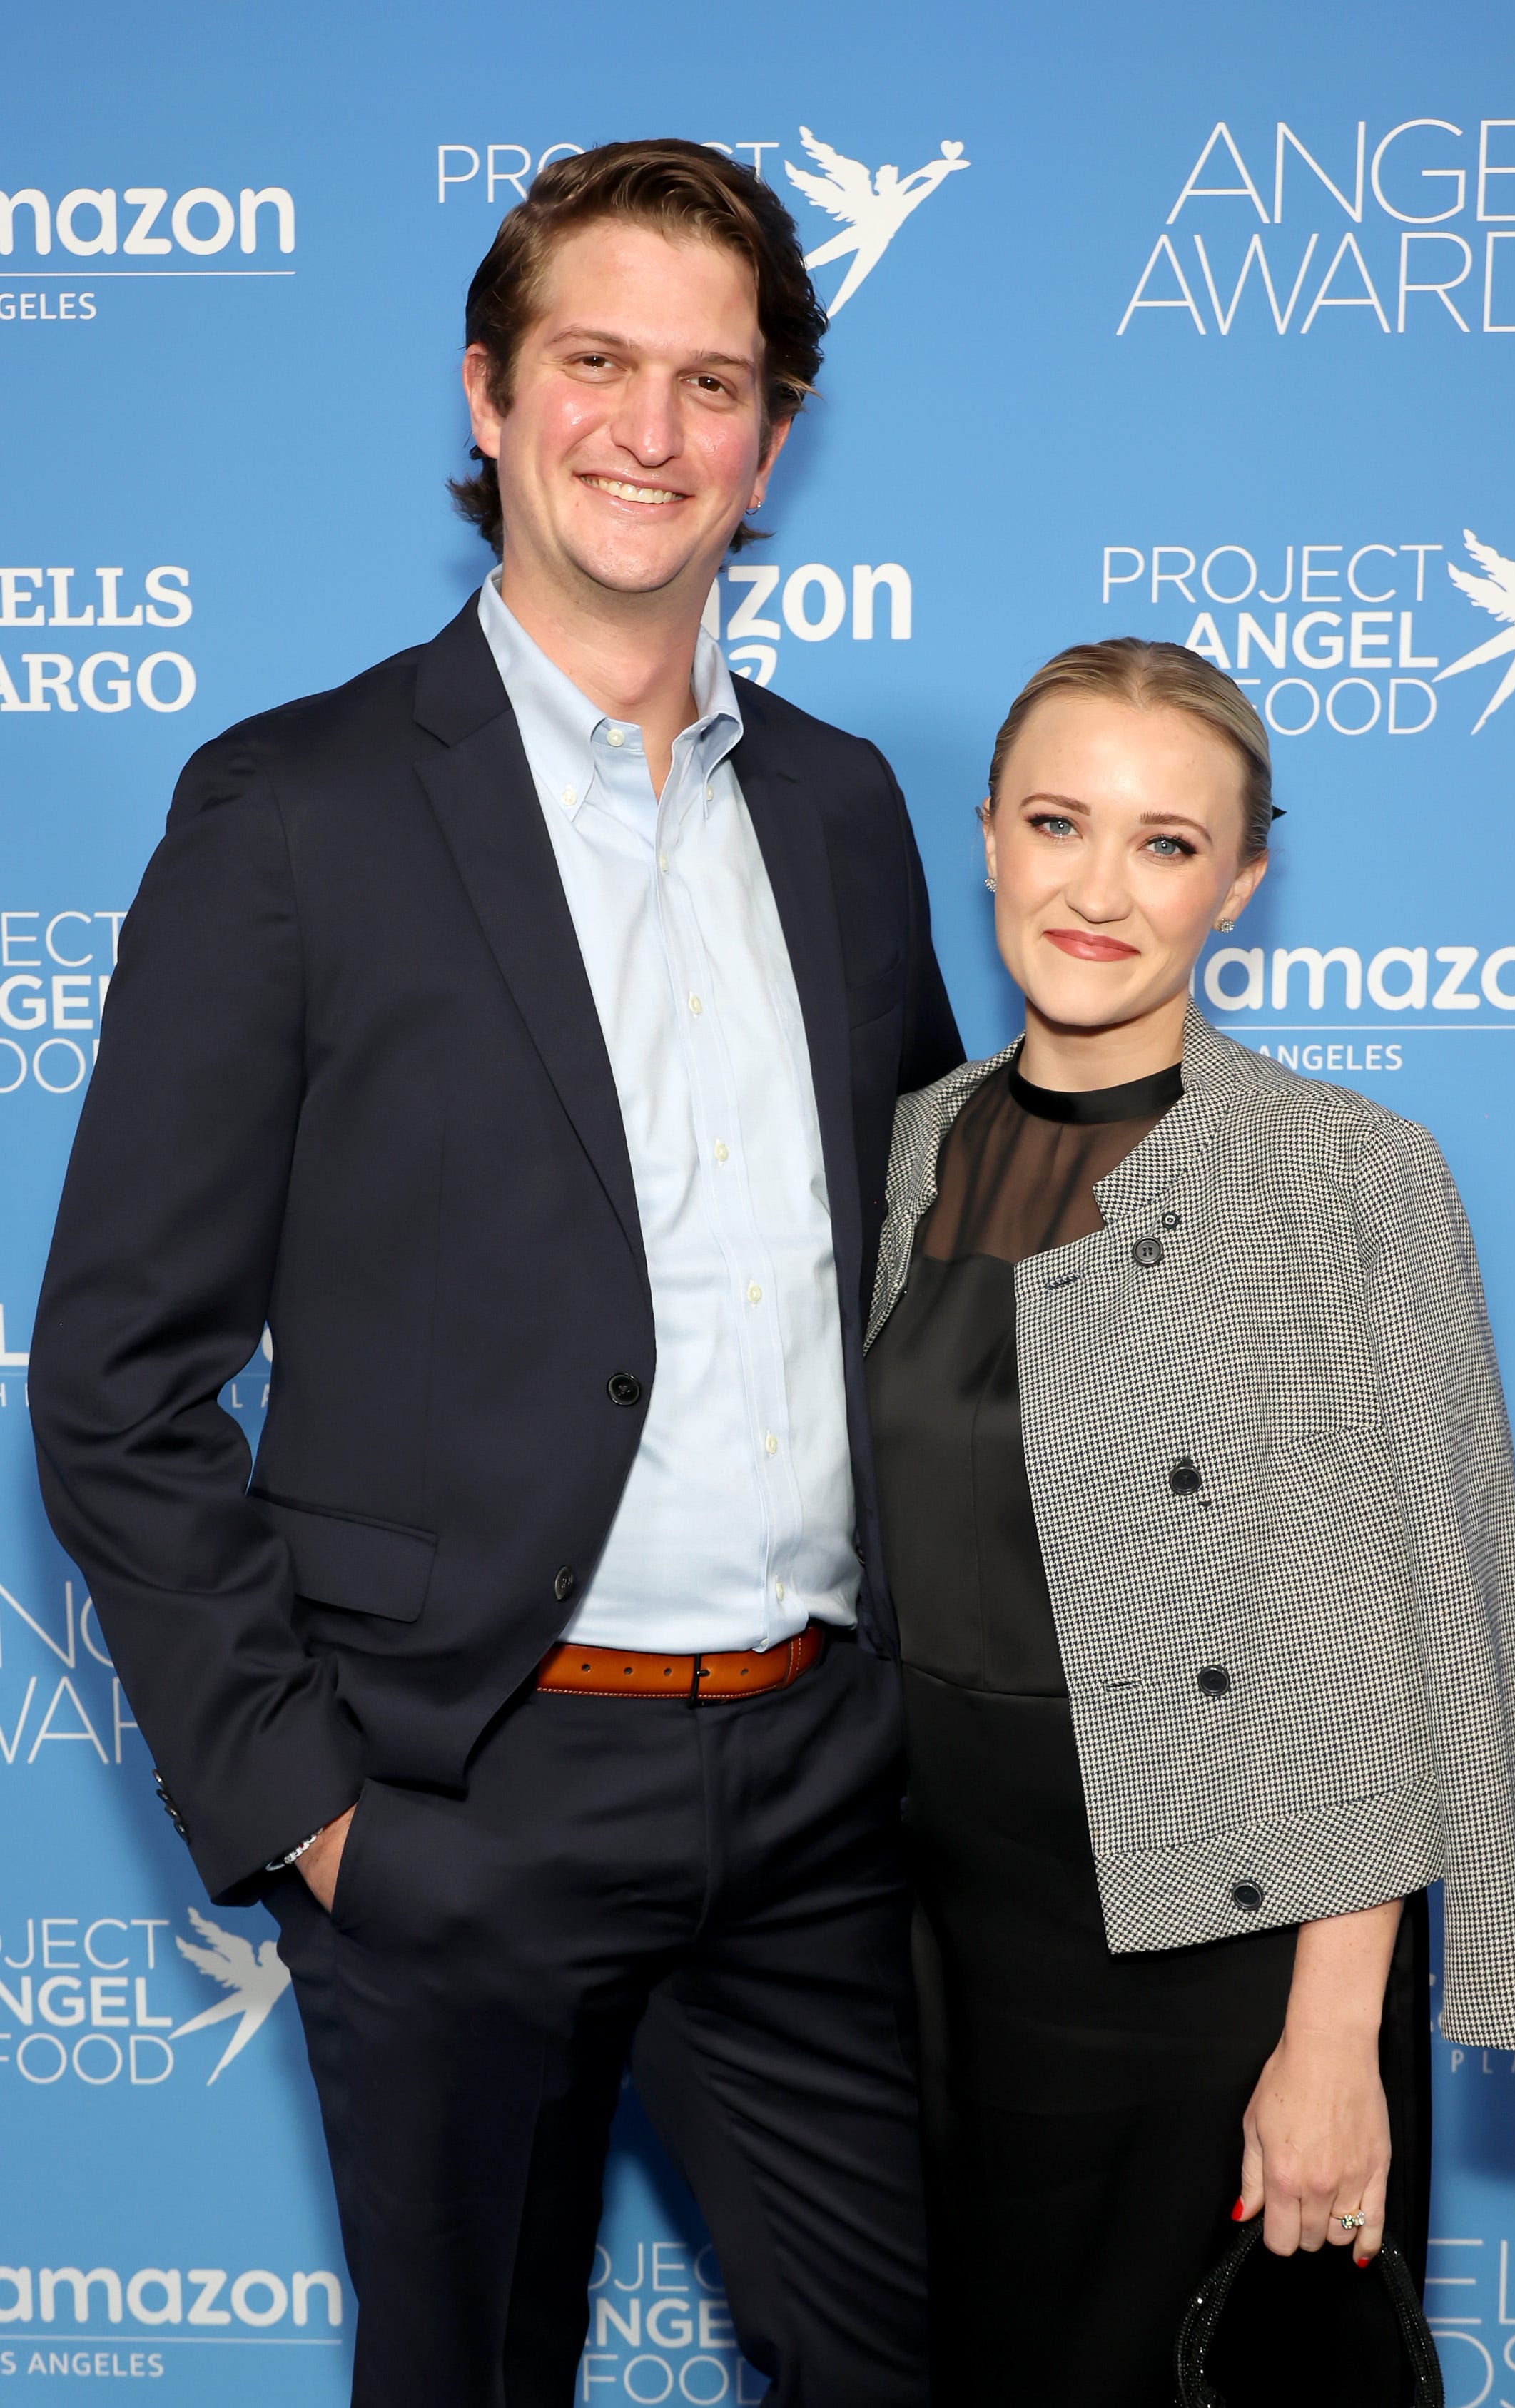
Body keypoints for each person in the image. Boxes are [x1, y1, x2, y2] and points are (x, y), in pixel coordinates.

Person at [28, 141, 962, 2408]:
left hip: (821, 1787)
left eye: (712, 383)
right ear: (487, 395)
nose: (650, 429)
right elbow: (117, 1375)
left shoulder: (840, 809)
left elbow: (929, 1276)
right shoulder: (295, 811)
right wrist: (315, 1815)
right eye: (594, 364)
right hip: (462, 1795)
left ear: (772, 440)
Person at [863, 639, 1515, 2407]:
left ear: (1241, 880)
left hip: (1214, 1951)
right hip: (928, 1935)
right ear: (988, 836)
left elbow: (1413, 1627)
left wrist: (1332, 2035)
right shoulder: (906, 1144)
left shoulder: (1340, 1170)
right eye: (1056, 823)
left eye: (1165, 843)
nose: (1097, 889)